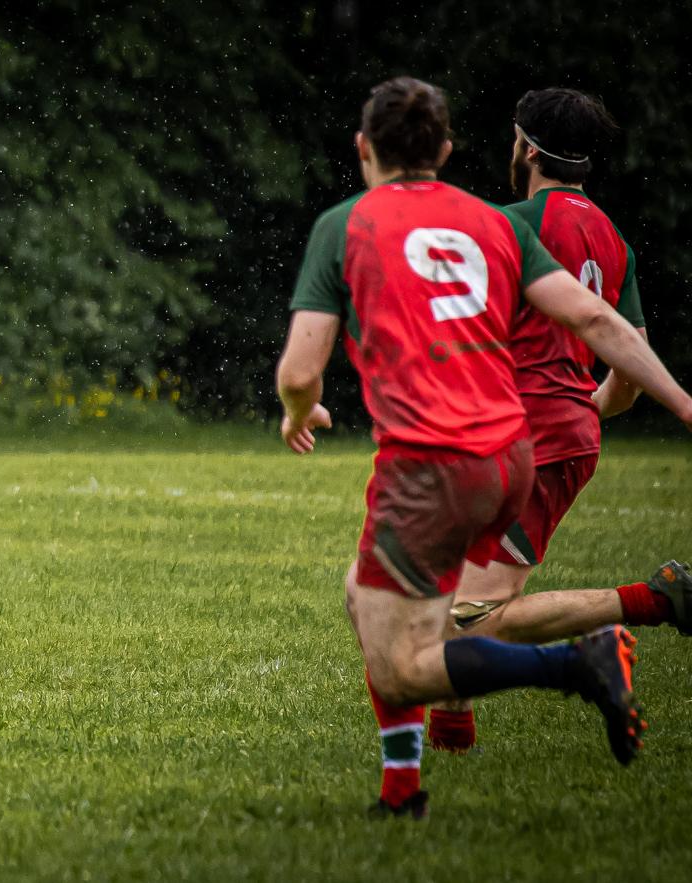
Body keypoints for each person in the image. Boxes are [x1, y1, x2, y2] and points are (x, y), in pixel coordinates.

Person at [274, 77, 692, 818]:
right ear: (443, 148)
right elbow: (600, 323)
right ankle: (407, 783)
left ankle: (583, 661)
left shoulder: (350, 224)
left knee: (420, 650)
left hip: (437, 455)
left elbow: (302, 371)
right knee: (368, 594)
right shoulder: (495, 227)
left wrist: (297, 411)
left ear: (364, 147)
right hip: (512, 451)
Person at [426, 88, 686, 753]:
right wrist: (580, 414)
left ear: (529, 148)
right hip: (551, 436)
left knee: (468, 616)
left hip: (521, 439)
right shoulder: (614, 241)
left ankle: (653, 602)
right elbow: (624, 377)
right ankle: (452, 731)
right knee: (443, 594)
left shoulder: (508, 223)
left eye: (515, 139)